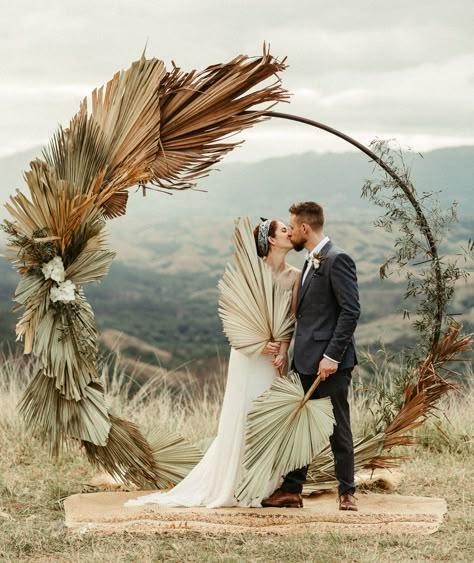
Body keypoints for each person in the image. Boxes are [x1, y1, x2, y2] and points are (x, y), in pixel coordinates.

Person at [125, 219, 300, 509]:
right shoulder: (250, 274)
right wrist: (257, 344)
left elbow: (291, 318)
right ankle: (235, 482)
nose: (289, 233)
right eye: (283, 230)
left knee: (270, 417)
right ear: (270, 240)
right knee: (245, 411)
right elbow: (234, 317)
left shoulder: (295, 275)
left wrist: (282, 349)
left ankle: (264, 484)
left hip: (275, 357)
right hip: (248, 355)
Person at [261, 201, 360, 511]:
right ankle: (292, 491)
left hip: (330, 363)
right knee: (299, 427)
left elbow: (350, 311)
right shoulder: (309, 262)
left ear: (305, 228)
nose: (291, 232)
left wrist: (332, 356)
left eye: (293, 226)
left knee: (337, 427)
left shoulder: (337, 259)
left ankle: (347, 492)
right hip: (304, 360)